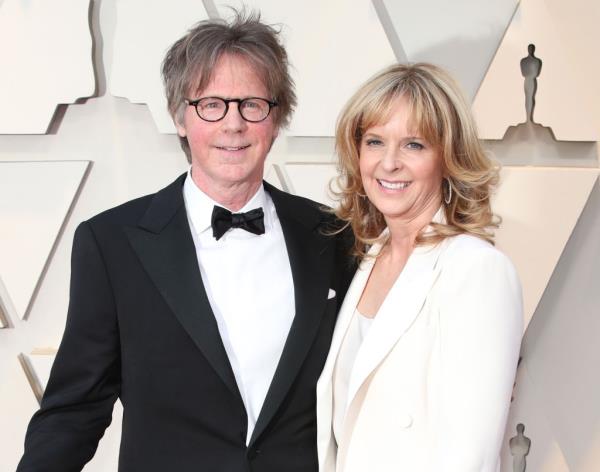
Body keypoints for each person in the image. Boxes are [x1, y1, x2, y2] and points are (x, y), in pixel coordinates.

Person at [18, 11, 354, 472]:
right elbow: (76, 408)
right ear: (180, 117)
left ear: (276, 119)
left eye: (252, 104)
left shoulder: (332, 236)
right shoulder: (111, 243)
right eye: (211, 104)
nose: (232, 124)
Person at [316, 63, 523, 472]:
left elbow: (471, 456)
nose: (389, 163)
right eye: (375, 141)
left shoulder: (476, 270)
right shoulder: (367, 260)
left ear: (448, 157)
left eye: (414, 145)